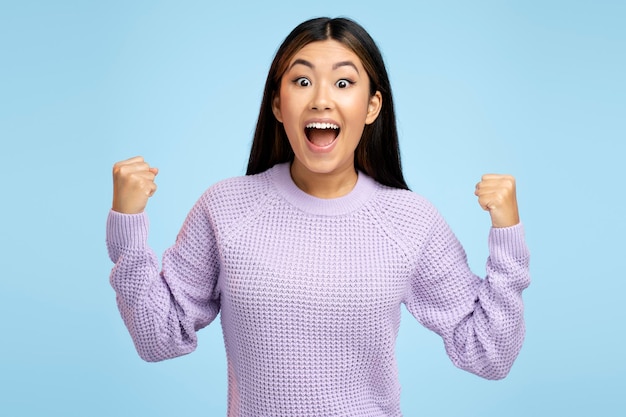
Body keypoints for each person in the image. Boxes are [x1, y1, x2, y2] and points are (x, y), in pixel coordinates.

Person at [107, 17, 530, 416]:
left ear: (371, 106)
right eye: (302, 81)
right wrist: (127, 229)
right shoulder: (225, 209)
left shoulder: (410, 221)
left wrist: (507, 235)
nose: (322, 99)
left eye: (344, 82)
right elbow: (159, 338)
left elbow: (489, 354)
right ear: (278, 103)